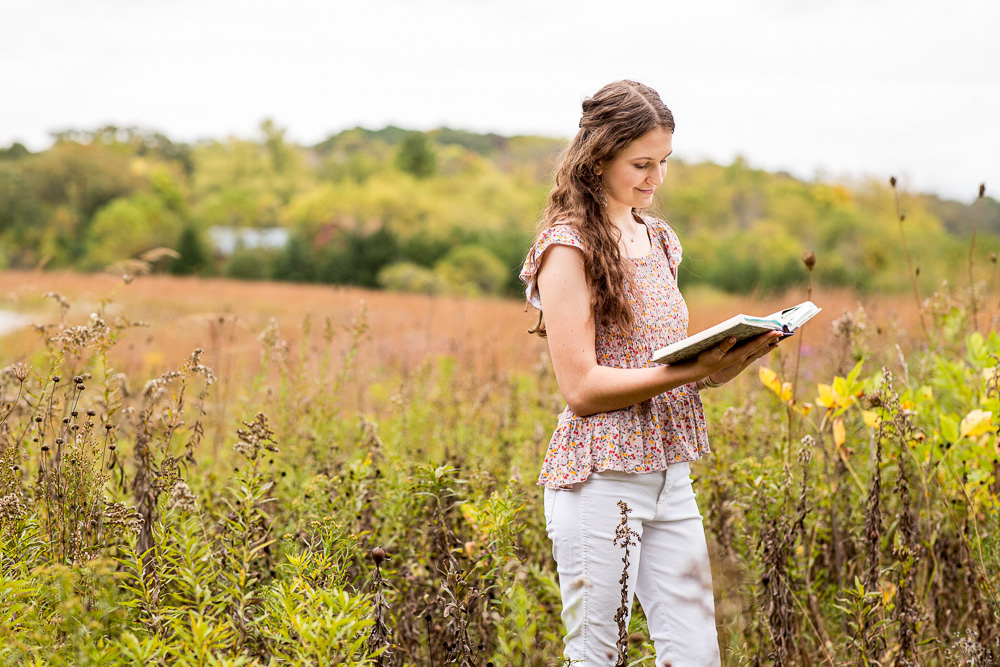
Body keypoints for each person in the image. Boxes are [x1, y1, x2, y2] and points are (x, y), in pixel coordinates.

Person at [519, 80, 781, 666]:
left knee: (695, 656)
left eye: (663, 163)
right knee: (596, 655)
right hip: (601, 475)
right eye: (641, 164)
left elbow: (668, 359)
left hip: (671, 473)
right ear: (597, 157)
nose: (654, 180)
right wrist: (687, 373)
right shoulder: (569, 247)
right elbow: (581, 389)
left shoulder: (659, 238)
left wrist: (731, 360)